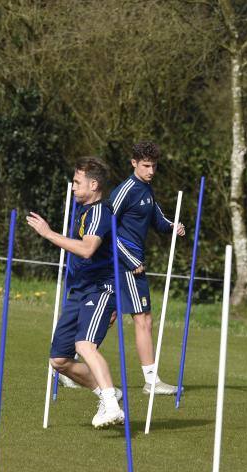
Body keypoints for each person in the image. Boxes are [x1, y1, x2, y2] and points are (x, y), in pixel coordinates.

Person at [27, 156, 124, 428]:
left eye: (77, 182)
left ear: (93, 185)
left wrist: (48, 234)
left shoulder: (99, 212)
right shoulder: (82, 210)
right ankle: (108, 394)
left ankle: (113, 407)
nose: (72, 187)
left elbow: (87, 248)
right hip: (79, 292)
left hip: (101, 290)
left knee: (84, 345)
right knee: (59, 361)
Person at [108, 141, 185, 395]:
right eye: (146, 166)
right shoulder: (126, 190)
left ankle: (65, 360)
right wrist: (130, 260)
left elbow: (158, 219)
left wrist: (174, 226)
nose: (151, 171)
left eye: (154, 166)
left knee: (108, 315)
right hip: (127, 264)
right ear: (134, 163)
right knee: (144, 319)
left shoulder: (147, 190)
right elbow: (106, 229)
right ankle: (151, 381)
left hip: (133, 263)